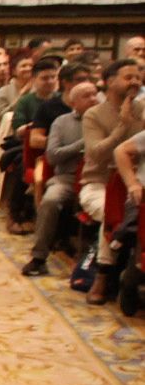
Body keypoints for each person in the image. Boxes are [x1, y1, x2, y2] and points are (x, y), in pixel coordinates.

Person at [77, 58, 143, 304]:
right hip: (99, 185)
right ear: (110, 81)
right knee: (111, 212)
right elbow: (96, 154)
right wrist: (122, 126)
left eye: (138, 77)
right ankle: (103, 276)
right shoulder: (94, 114)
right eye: (128, 77)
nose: (135, 82)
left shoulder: (143, 109)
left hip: (135, 184)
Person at [22, 81, 100, 277]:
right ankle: (38, 258)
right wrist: (83, 144)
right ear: (74, 102)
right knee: (50, 200)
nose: (93, 99)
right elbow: (52, 155)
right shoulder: (62, 122)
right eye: (86, 96)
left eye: (95, 94)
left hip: (98, 178)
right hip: (67, 177)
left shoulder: (105, 121)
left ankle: (96, 266)